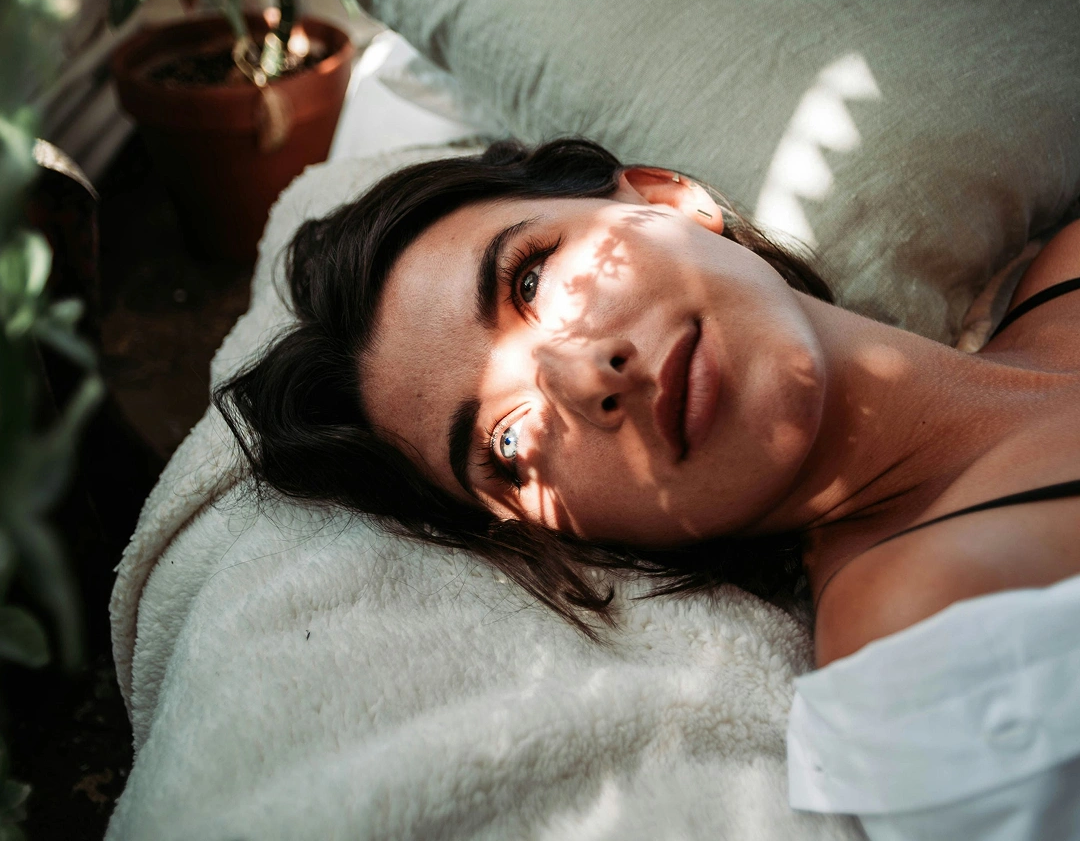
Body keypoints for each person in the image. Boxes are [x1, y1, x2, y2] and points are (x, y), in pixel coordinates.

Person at [216, 137, 1080, 835]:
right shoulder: (923, 629)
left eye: (531, 279)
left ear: (671, 201)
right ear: (561, 535)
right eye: (506, 441)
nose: (589, 376)